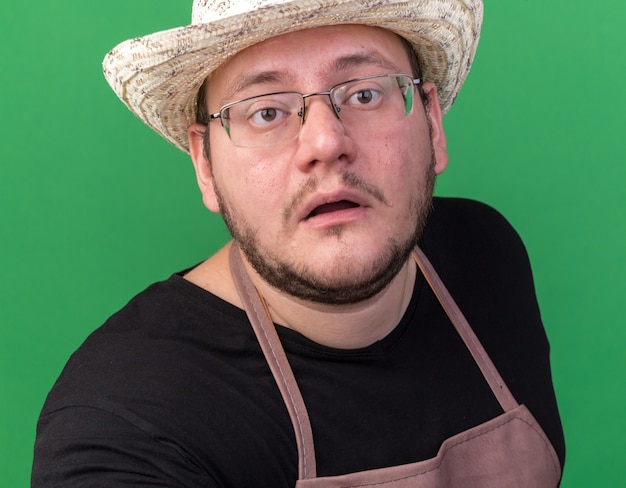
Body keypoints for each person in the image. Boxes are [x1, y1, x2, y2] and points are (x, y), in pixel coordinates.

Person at [32, 0, 566, 486]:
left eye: (365, 93)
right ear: (205, 165)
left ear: (432, 123)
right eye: (266, 111)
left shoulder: (486, 253)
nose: (326, 143)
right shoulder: (125, 424)